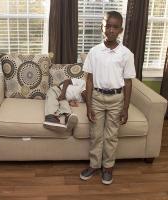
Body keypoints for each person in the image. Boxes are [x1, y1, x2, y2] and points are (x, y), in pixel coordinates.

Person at [80, 11, 136, 185]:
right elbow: (88, 80)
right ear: (101, 28)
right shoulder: (94, 52)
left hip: (116, 100)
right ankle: (94, 165)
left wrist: (125, 108)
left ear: (121, 30)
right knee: (96, 135)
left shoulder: (126, 54)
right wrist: (88, 106)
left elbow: (128, 83)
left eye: (115, 27)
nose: (110, 30)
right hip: (96, 98)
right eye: (107, 26)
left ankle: (108, 167)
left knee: (111, 136)